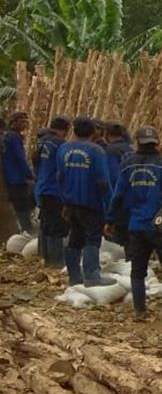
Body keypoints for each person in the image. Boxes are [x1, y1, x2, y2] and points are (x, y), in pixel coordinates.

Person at [106, 126, 162, 319]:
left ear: (137, 142)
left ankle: (139, 310)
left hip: (136, 225)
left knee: (137, 271)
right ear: (157, 143)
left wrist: (111, 219)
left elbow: (118, 195)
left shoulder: (127, 165)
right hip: (159, 227)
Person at [56, 117, 116, 287]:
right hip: (91, 203)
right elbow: (103, 182)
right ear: (93, 132)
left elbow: (59, 177)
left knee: (75, 238)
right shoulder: (96, 151)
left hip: (71, 202)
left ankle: (74, 276)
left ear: (74, 131)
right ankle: (92, 275)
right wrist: (110, 207)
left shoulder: (64, 148)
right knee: (92, 239)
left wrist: (64, 199)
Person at [34, 115, 71, 267]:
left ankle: (46, 258)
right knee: (55, 226)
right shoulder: (60, 144)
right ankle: (56, 262)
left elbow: (35, 161)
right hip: (54, 189)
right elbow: (63, 170)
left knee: (46, 224)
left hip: (42, 187)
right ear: (66, 129)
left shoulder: (42, 141)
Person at [3, 111, 34, 235]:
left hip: (11, 176)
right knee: (23, 205)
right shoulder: (14, 137)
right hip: (17, 178)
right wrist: (29, 175)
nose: (24, 124)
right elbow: (20, 158)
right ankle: (27, 229)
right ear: (13, 122)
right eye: (21, 121)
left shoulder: (8, 136)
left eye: (26, 121)